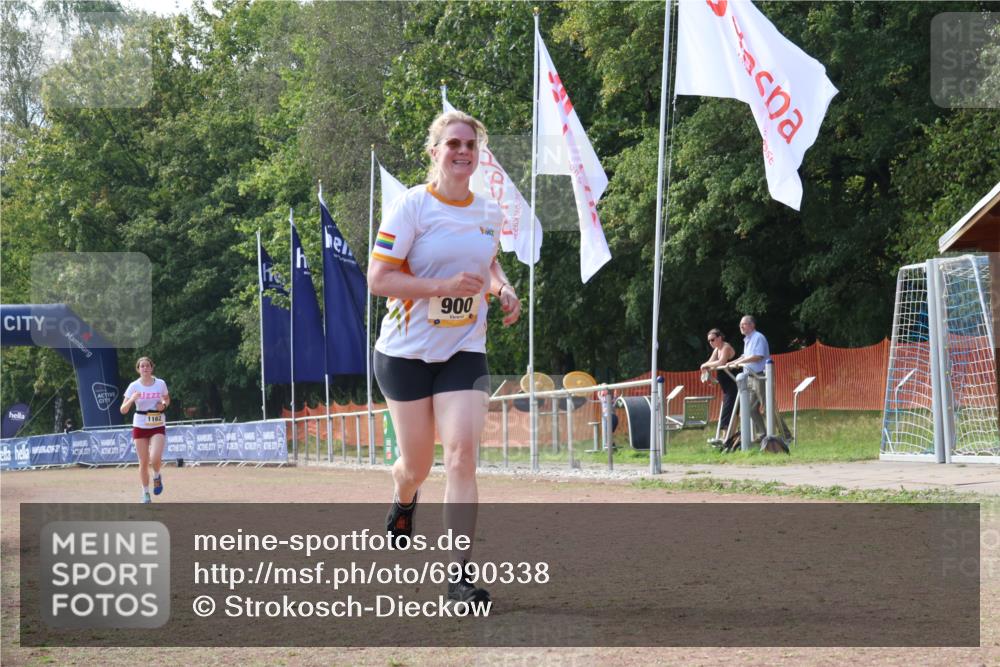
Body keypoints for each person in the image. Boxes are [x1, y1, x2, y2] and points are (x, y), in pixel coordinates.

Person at [368, 110, 521, 605]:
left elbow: (488, 259)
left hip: (463, 349)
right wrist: (442, 287)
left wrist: (503, 288)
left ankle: (458, 576)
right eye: (453, 143)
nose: (462, 151)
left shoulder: (488, 212)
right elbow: (379, 279)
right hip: (405, 353)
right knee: (417, 464)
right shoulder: (411, 207)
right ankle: (404, 494)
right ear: (434, 152)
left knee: (461, 456)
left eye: (471, 145)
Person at [120, 357, 170, 503]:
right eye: (142, 366)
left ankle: (157, 475)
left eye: (147, 366)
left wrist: (164, 405)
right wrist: (131, 399)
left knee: (155, 458)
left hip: (157, 423)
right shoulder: (133, 386)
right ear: (138, 369)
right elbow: (123, 410)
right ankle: (146, 493)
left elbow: (167, 399)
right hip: (140, 425)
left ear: (151, 368)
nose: (145, 368)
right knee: (143, 462)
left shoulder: (160, 383)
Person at [724, 315, 770, 437]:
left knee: (767, 408)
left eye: (743, 324)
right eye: (740, 324)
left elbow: (757, 356)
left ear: (752, 325)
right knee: (750, 409)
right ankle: (763, 436)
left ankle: (785, 436)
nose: (741, 326)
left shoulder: (758, 337)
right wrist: (732, 363)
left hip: (760, 376)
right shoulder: (748, 339)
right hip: (749, 377)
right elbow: (745, 356)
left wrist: (739, 363)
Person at [700, 328, 738, 432]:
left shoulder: (726, 347)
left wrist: (705, 366)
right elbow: (710, 362)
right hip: (726, 387)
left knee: (728, 411)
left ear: (720, 338)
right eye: (709, 341)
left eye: (712, 339)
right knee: (732, 411)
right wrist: (706, 368)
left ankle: (727, 437)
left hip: (733, 383)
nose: (711, 342)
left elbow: (721, 362)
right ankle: (729, 437)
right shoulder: (717, 350)